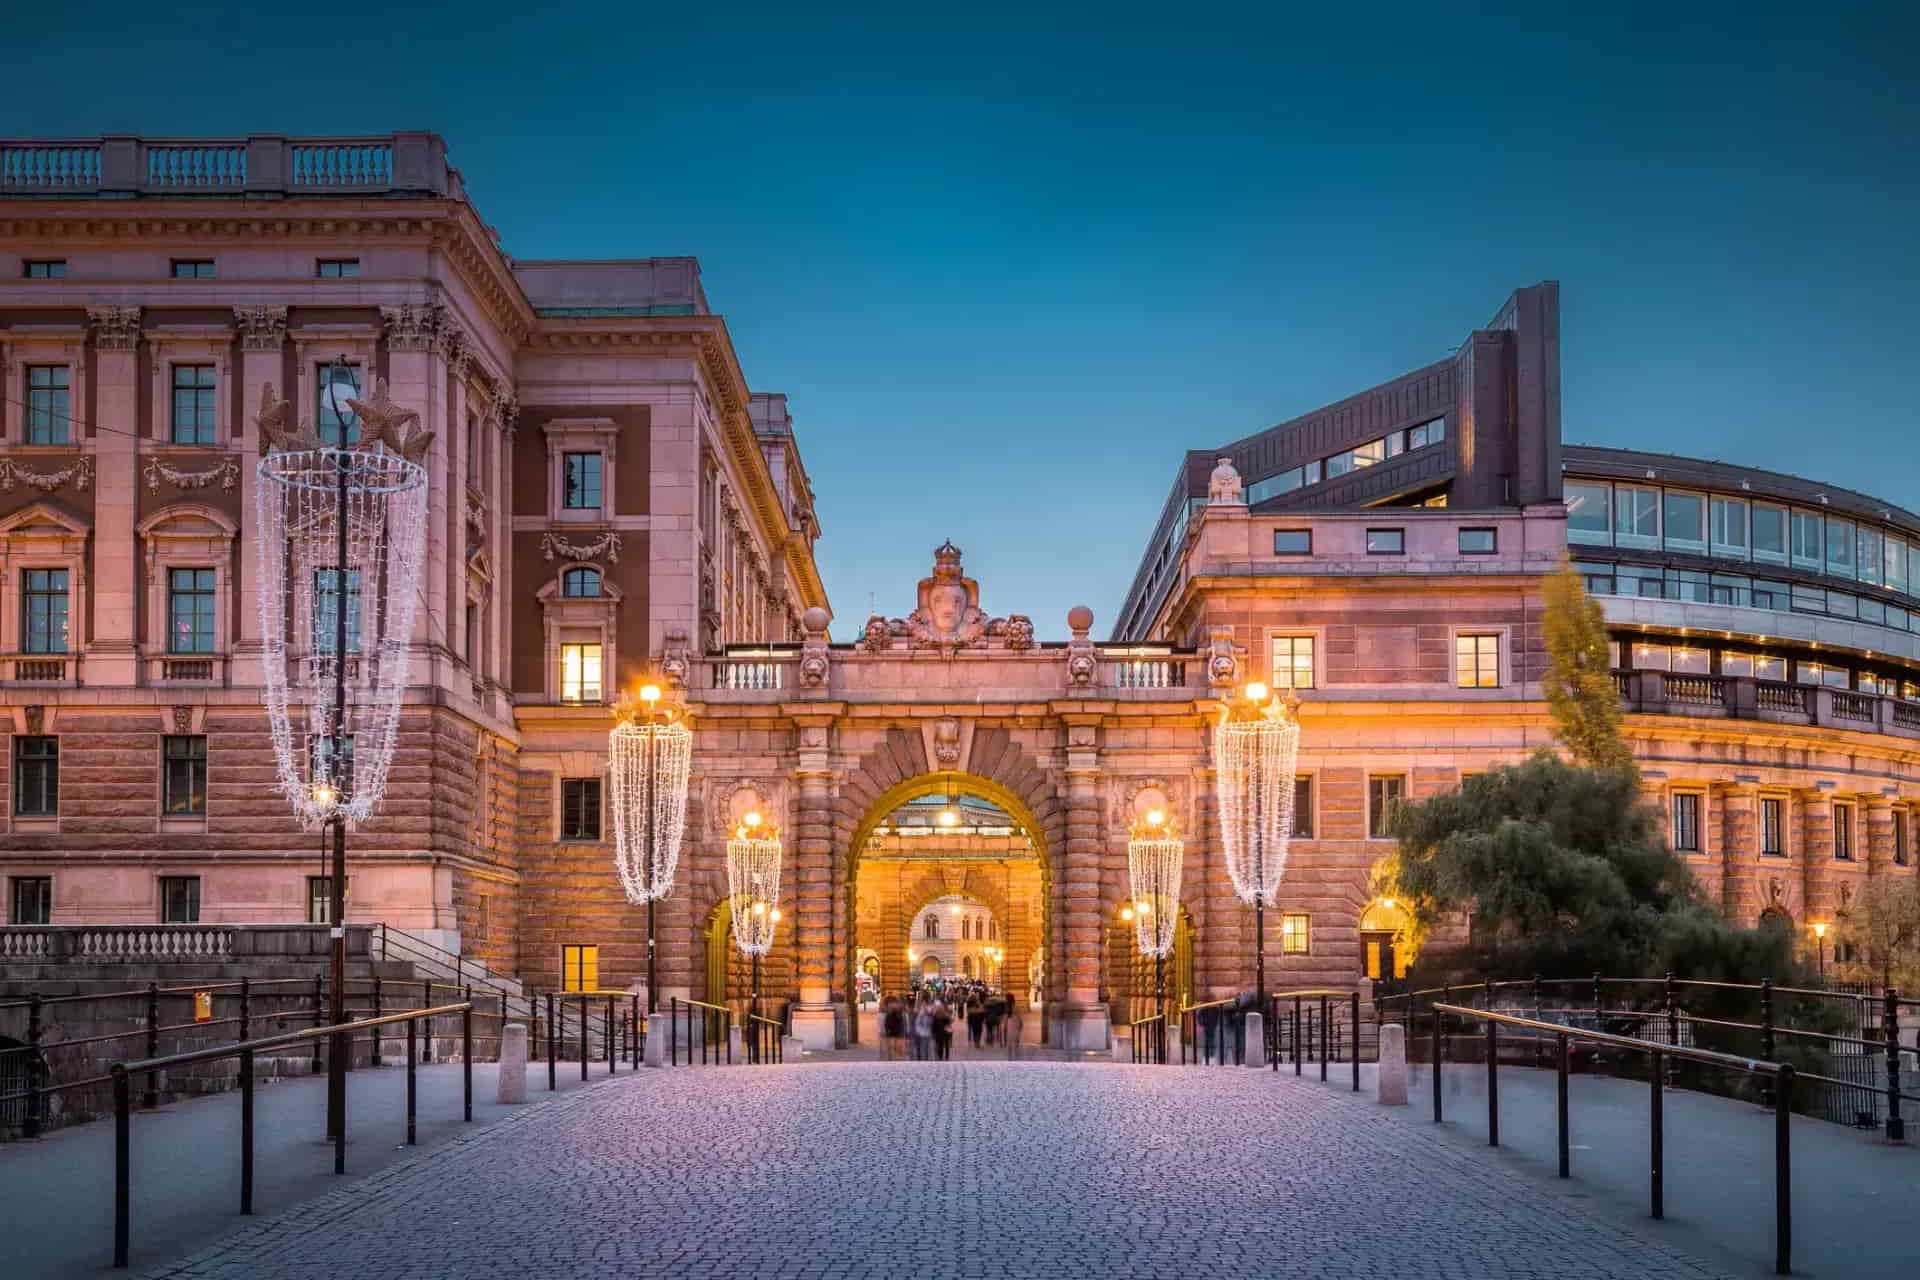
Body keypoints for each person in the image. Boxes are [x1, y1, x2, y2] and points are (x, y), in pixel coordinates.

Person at [882, 995, 907, 1061]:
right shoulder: (889, 1014)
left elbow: (901, 1022)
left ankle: (896, 1058)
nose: (892, 1005)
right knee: (891, 1047)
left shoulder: (899, 1012)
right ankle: (892, 1059)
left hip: (897, 1031)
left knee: (896, 1047)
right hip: (892, 1031)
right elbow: (886, 1023)